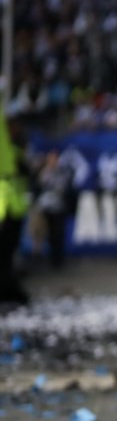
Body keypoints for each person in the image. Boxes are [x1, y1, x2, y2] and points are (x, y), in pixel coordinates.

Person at [0, 118, 33, 307]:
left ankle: (7, 289)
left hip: (14, 211)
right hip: (6, 211)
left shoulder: (18, 151)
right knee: (4, 254)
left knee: (7, 254)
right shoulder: (11, 153)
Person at [37, 151, 75, 271]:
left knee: (58, 235)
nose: (53, 161)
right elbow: (40, 186)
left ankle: (58, 260)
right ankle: (48, 259)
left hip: (58, 208)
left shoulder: (62, 172)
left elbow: (63, 187)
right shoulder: (43, 172)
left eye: (55, 159)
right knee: (47, 235)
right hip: (46, 209)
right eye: (51, 159)